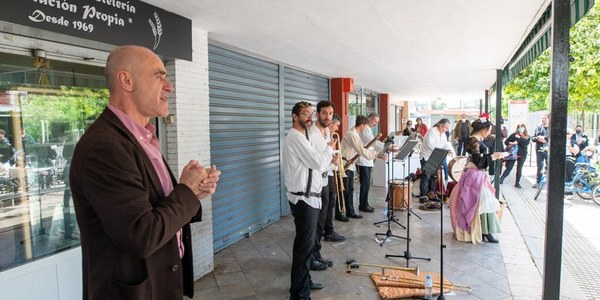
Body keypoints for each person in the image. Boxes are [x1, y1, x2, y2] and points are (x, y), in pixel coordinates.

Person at [69, 45, 221, 300]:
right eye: (159, 75)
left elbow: (155, 206)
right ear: (126, 81)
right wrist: (185, 191)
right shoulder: (105, 147)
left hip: (160, 285)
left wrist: (193, 192)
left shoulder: (143, 137)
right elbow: (141, 234)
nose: (169, 86)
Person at [283, 101, 336, 299]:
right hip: (304, 201)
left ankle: (304, 282)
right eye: (305, 114)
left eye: (310, 114)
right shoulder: (295, 137)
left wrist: (327, 159)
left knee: (306, 247)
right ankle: (299, 293)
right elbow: (317, 161)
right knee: (304, 249)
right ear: (294, 116)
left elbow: (317, 166)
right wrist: (329, 150)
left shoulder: (302, 136)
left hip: (309, 199)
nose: (309, 117)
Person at [449, 117, 506, 244]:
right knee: (482, 202)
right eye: (489, 130)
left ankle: (485, 230)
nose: (489, 133)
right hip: (474, 176)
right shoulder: (475, 141)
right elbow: (479, 163)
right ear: (483, 129)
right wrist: (494, 156)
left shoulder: (473, 140)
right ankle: (486, 231)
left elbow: (478, 159)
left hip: (473, 175)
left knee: (479, 203)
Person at [307, 101, 337, 271]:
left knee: (322, 221)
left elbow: (325, 156)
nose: (328, 117)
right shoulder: (311, 133)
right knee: (315, 222)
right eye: (324, 113)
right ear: (317, 114)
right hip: (315, 182)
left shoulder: (326, 131)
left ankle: (317, 254)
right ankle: (311, 257)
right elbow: (313, 160)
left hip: (325, 179)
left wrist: (332, 159)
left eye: (331, 113)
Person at [340, 115, 381, 219]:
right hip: (345, 164)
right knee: (345, 190)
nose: (365, 128)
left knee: (349, 189)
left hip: (350, 164)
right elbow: (361, 151)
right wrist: (375, 154)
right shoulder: (352, 134)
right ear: (362, 125)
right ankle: (341, 213)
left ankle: (349, 211)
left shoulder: (355, 133)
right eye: (365, 126)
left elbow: (361, 149)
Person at [356, 113, 387, 213]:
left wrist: (384, 146)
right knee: (365, 184)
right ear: (369, 119)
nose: (375, 124)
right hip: (362, 160)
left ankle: (365, 203)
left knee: (367, 184)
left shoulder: (368, 129)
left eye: (377, 122)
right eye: (374, 121)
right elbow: (373, 142)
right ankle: (362, 205)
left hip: (367, 159)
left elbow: (374, 143)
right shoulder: (365, 129)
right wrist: (385, 147)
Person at [418, 118, 454, 202]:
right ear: (441, 126)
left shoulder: (443, 134)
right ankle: (423, 196)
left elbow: (445, 144)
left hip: (436, 157)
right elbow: (430, 145)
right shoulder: (432, 131)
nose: (447, 130)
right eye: (446, 128)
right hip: (427, 156)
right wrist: (441, 150)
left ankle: (431, 194)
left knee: (433, 177)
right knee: (426, 177)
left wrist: (449, 150)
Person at [325, 114, 348, 240]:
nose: (338, 129)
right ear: (330, 123)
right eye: (337, 125)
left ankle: (327, 229)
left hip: (329, 172)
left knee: (330, 202)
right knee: (329, 203)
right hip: (326, 173)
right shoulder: (325, 136)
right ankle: (328, 231)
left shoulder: (329, 136)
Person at [498, 124, 531, 188]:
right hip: (513, 154)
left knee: (519, 168)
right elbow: (506, 142)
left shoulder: (527, 136)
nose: (520, 129)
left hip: (522, 154)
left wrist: (519, 138)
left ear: (524, 128)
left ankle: (517, 183)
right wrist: (511, 143)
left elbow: (525, 144)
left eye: (522, 127)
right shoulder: (514, 135)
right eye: (519, 127)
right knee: (509, 167)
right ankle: (501, 179)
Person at [532, 114, 549, 188]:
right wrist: (538, 138)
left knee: (549, 166)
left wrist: (545, 138)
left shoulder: (551, 128)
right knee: (539, 166)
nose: (543, 120)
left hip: (548, 150)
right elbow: (532, 138)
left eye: (545, 118)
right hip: (539, 150)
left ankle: (549, 182)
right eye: (542, 118)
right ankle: (538, 182)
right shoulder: (538, 128)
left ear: (548, 119)